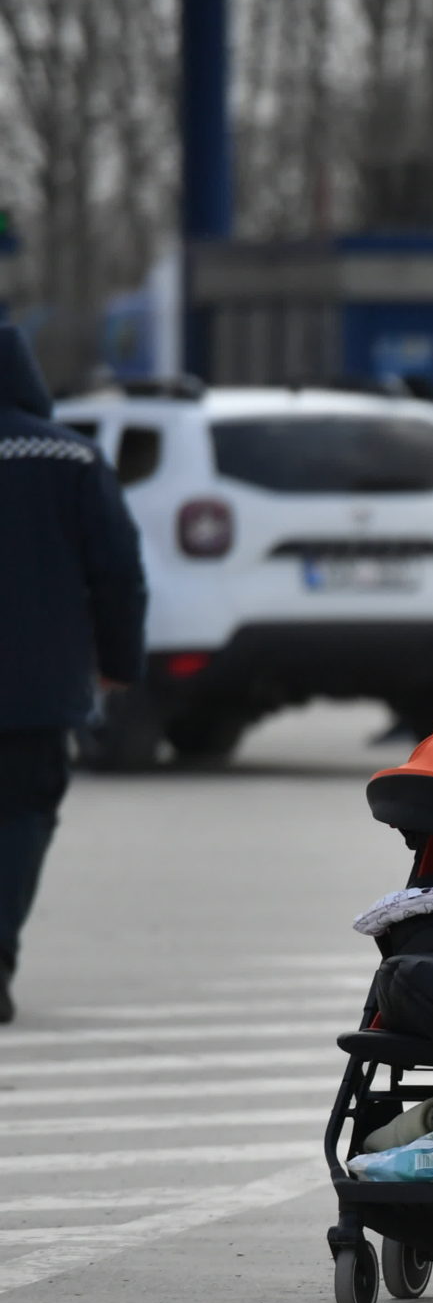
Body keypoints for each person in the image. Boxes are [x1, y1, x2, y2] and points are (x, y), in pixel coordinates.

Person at [0, 323, 147, 1025]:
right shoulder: (74, 458)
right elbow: (117, 574)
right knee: (22, 820)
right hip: (36, 689)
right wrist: (118, 664)